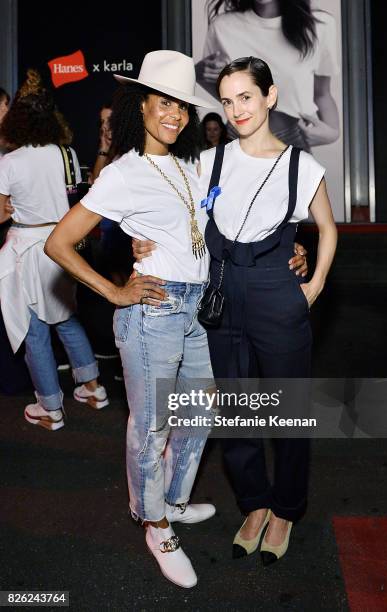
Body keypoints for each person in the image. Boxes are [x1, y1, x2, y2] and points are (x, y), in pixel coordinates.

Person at [134, 55, 337, 565]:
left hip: (277, 296)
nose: (236, 109)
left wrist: (312, 285)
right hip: (222, 296)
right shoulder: (210, 161)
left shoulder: (301, 165)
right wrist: (142, 239)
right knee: (237, 411)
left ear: (269, 96)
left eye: (245, 97)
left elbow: (329, 230)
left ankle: (286, 508)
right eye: (226, 101)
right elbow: (180, 213)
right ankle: (254, 504)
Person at [44, 50, 218, 589]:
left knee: (201, 412)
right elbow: (59, 242)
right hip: (153, 315)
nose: (174, 114)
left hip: (192, 309)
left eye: (182, 106)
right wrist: (115, 292)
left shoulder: (187, 165)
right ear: (140, 105)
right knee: (151, 428)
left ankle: (172, 499)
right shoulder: (122, 172)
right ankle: (157, 526)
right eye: (163, 102)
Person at [0, 69, 109, 431]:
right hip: (63, 247)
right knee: (65, 317)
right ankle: (93, 387)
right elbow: (75, 197)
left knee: (34, 329)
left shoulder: (10, 162)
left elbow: (1, 210)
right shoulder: (65, 153)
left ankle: (50, 407)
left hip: (27, 249)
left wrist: (13, 207)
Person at [195, 0, 340, 150]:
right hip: (238, 141)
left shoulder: (320, 26)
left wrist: (333, 133)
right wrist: (198, 73)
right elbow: (228, 96)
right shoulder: (222, 27)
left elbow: (322, 93)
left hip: (292, 142)